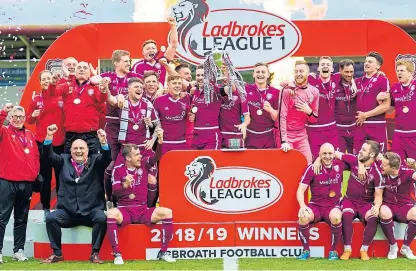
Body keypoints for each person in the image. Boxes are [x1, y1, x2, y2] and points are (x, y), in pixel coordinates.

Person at [41, 124, 111, 264]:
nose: (78, 151)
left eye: (81, 148)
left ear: (87, 150)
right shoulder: (63, 160)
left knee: (101, 218)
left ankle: (95, 253)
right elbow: (48, 156)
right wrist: (49, 136)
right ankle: (57, 254)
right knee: (51, 218)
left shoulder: (96, 161)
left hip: (91, 211)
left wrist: (103, 141)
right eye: (75, 148)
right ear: (71, 151)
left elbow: (106, 158)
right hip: (68, 212)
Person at [106, 130, 175, 264]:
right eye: (136, 155)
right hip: (125, 209)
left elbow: (157, 157)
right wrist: (125, 185)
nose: (139, 156)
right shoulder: (118, 169)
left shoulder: (144, 164)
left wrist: (160, 142)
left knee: (167, 212)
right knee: (111, 214)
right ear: (128, 158)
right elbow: (115, 193)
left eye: (139, 154)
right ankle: (117, 254)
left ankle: (163, 252)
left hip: (142, 210)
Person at [105, 77, 159, 207]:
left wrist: (152, 140)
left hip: (144, 149)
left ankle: (149, 207)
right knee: (110, 171)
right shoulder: (122, 101)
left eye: (141, 87)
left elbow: (158, 126)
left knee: (152, 180)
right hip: (126, 149)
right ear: (128, 89)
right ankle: (110, 202)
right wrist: (106, 88)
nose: (140, 89)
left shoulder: (148, 104)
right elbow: (110, 99)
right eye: (136, 87)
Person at [0, 104, 40, 264]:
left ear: (25, 119)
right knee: (2, 217)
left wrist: (35, 171)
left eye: (21, 117)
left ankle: (18, 250)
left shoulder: (30, 135)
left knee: (21, 218)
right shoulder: (4, 132)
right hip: (7, 181)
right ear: (10, 118)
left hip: (26, 183)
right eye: (15, 117)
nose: (18, 120)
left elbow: (35, 155)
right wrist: (3, 112)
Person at [334, 140, 384, 260]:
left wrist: (376, 207)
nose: (360, 151)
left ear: (372, 155)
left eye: (364, 150)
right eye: (361, 148)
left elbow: (378, 195)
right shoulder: (353, 159)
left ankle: (364, 250)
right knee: (346, 215)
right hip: (349, 200)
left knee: (373, 217)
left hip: (366, 203)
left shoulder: (377, 173)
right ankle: (347, 250)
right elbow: (336, 153)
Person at [26, 70, 65, 220]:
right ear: (40, 81)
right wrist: (32, 116)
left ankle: (61, 207)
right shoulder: (36, 99)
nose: (47, 81)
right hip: (43, 143)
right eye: (44, 79)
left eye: (49, 78)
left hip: (60, 142)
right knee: (45, 177)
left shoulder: (61, 97)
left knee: (61, 176)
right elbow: (28, 120)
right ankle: (46, 208)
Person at [297, 143, 344, 260]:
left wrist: (362, 166)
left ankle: (333, 251)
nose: (327, 156)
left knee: (336, 217)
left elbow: (356, 161)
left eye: (330, 154)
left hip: (333, 205)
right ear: (319, 154)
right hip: (316, 206)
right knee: (303, 217)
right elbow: (300, 191)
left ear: (334, 155)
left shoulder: (340, 165)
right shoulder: (312, 168)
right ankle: (306, 250)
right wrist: (302, 206)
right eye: (324, 154)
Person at [49, 61, 108, 154]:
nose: (81, 69)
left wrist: (104, 90)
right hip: (71, 135)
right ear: (75, 72)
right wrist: (52, 84)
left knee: (92, 165)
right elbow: (53, 93)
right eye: (79, 67)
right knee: (69, 165)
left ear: (89, 73)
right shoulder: (67, 85)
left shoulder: (95, 87)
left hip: (90, 135)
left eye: (85, 68)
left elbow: (101, 99)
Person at [280, 60, 319, 164]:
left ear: (307, 73)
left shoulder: (314, 91)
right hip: (287, 134)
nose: (298, 74)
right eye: (296, 71)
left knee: (308, 163)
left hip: (302, 134)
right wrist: (284, 140)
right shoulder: (288, 90)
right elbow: (282, 116)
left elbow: (314, 119)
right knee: (288, 165)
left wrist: (309, 111)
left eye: (301, 71)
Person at [378, 152, 416, 259]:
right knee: (383, 212)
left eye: (384, 165)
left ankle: (405, 247)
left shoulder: (407, 172)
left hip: (404, 206)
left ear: (394, 168)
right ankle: (393, 246)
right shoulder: (381, 172)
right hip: (388, 204)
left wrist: (414, 166)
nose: (381, 166)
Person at [354, 52, 390, 153]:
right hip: (359, 125)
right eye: (365, 61)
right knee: (359, 157)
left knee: (379, 157)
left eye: (370, 61)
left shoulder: (383, 80)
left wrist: (365, 115)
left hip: (376, 125)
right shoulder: (357, 81)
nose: (366, 63)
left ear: (378, 66)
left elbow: (386, 106)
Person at [380, 60, 416, 160]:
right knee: (397, 164)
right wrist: (380, 102)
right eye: (397, 70)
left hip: (414, 133)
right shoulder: (394, 88)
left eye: (402, 70)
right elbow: (389, 110)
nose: (399, 73)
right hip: (398, 135)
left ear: (410, 73)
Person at [306, 57, 339, 160]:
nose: (325, 66)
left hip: (330, 127)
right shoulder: (310, 79)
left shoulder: (337, 78)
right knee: (316, 159)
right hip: (314, 128)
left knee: (334, 157)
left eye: (328, 65)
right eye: (323, 64)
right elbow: (286, 83)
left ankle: (333, 176)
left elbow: (350, 76)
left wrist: (378, 73)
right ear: (319, 68)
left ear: (332, 69)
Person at [131, 17, 178, 86]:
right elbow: (133, 84)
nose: (151, 50)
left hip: (160, 95)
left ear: (156, 51)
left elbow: (173, 45)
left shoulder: (163, 62)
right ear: (143, 53)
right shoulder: (137, 66)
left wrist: (173, 26)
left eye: (153, 48)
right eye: (148, 48)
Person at [153, 74, 190, 155]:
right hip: (165, 143)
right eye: (174, 83)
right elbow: (154, 124)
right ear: (168, 85)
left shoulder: (187, 98)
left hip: (182, 143)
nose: (177, 86)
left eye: (179, 83)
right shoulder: (159, 100)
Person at [245, 62, 279, 149]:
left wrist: (271, 110)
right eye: (258, 72)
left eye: (263, 72)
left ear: (268, 75)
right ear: (253, 75)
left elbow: (276, 118)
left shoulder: (276, 92)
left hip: (268, 137)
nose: (260, 74)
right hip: (250, 136)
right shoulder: (246, 89)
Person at [190, 65, 223, 150]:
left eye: (203, 75)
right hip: (195, 136)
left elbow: (231, 89)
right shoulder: (194, 92)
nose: (200, 78)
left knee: (208, 162)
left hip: (211, 136)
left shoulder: (215, 90)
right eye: (198, 75)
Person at [335, 59, 358, 154]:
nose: (349, 74)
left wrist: (379, 73)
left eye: (351, 72)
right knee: (338, 158)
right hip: (338, 128)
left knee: (356, 159)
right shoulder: (333, 84)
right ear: (340, 70)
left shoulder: (358, 84)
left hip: (354, 128)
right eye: (346, 72)